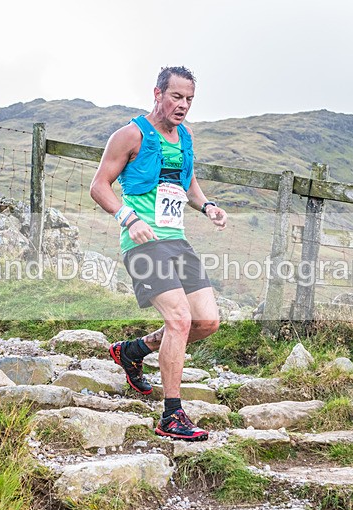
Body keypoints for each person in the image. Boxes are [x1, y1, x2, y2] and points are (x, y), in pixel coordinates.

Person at [89, 66, 227, 442]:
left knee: (207, 322)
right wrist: (128, 218)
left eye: (189, 100)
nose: (182, 106)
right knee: (180, 320)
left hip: (177, 241)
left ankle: (134, 351)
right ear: (157, 93)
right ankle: (172, 415)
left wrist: (207, 206)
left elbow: (188, 182)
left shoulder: (185, 136)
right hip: (143, 243)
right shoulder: (130, 134)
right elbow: (99, 186)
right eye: (176, 97)